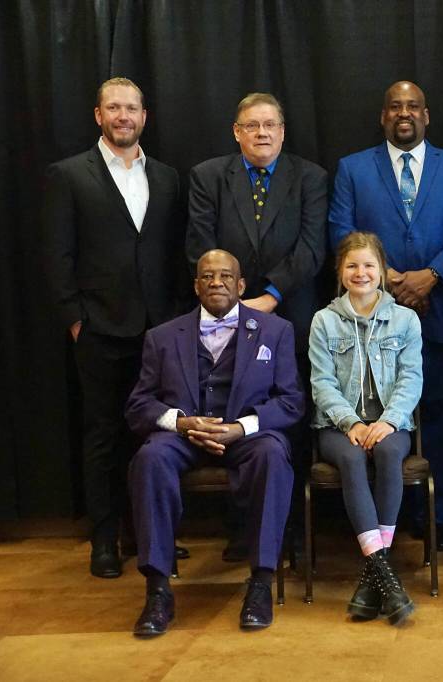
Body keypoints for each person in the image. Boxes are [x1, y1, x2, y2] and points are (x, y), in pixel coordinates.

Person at [329, 81, 443, 550]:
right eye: (395, 106)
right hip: (372, 313)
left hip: (440, 311)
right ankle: (385, 520)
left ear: (427, 115)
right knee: (382, 419)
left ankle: (439, 518)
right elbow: (341, 227)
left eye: (413, 105)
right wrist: (391, 279)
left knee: (439, 416)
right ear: (383, 116)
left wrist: (431, 275)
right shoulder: (353, 169)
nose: (404, 113)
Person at [44, 77, 184, 578]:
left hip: (158, 331)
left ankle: (149, 534)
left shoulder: (166, 177)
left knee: (153, 437)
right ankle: (105, 540)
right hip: (99, 329)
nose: (124, 116)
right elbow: (57, 257)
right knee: (104, 436)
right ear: (98, 115)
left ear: (145, 116)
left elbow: (171, 253)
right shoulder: (68, 175)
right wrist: (76, 321)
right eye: (114, 108)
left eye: (132, 108)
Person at [126, 249, 304, 637]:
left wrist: (242, 427)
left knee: (273, 453)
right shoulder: (161, 336)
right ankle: (158, 590)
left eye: (225, 276)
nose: (216, 283)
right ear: (195, 286)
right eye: (207, 276)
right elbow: (138, 405)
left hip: (245, 434)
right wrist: (181, 422)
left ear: (241, 286)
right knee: (149, 458)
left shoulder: (276, 331)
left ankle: (260, 582)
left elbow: (291, 401)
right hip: (185, 435)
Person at [187, 92, 326, 558]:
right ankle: (242, 525)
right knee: (233, 412)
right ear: (236, 131)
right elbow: (200, 248)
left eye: (270, 125)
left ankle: (292, 528)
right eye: (252, 125)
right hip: (224, 315)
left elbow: (311, 248)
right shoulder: (209, 177)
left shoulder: (310, 177)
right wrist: (234, 302)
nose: (262, 133)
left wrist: (269, 297)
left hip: (291, 313)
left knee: (292, 414)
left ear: (283, 132)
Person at [308, 232, 423, 625]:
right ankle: (386, 578)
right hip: (338, 427)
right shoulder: (323, 321)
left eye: (369, 265)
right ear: (340, 271)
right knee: (353, 460)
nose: (361, 273)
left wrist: (388, 421)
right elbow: (321, 383)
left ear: (383, 271)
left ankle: (374, 579)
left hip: (392, 423)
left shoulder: (405, 319)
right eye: (352, 265)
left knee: (390, 452)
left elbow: (412, 379)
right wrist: (352, 422)